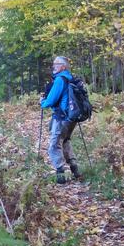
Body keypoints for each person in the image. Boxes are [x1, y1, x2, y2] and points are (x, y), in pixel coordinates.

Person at [40, 56, 81, 184]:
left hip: (61, 117)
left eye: (56, 64)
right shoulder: (70, 78)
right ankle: (75, 169)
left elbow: (50, 101)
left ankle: (60, 175)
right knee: (65, 141)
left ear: (63, 66)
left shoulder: (59, 80)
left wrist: (42, 102)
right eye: (54, 64)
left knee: (53, 146)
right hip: (72, 117)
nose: (54, 66)